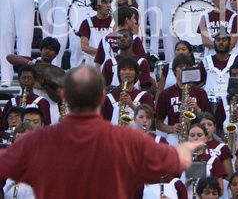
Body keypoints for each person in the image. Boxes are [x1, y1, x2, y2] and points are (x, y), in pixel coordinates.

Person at [0, 65, 205, 198]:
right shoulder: (127, 139)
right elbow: (176, 161)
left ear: (64, 96)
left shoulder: (36, 142)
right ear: (101, 98)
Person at [156, 54, 214, 145]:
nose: (184, 69)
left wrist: (197, 108)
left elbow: (210, 120)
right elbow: (157, 123)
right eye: (181, 67)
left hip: (197, 135)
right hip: (175, 135)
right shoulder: (166, 93)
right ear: (174, 70)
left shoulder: (200, 92)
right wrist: (171, 128)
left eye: (187, 67)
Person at [101, 57, 154, 125]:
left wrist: (131, 105)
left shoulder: (145, 96)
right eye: (124, 69)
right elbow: (104, 122)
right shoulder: (110, 97)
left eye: (131, 69)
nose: (127, 72)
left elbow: (150, 120)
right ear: (119, 73)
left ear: (136, 74)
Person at [185, 124, 228, 196]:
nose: (196, 138)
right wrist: (186, 184)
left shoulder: (213, 160)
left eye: (199, 135)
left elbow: (221, 191)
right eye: (192, 135)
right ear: (188, 138)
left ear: (206, 138)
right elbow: (173, 189)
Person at [77, 0, 114, 67]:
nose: (109, 5)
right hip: (92, 64)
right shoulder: (86, 23)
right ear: (97, 5)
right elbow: (84, 47)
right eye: (105, 2)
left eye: (109, 2)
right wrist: (101, 52)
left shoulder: (115, 22)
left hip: (111, 64)